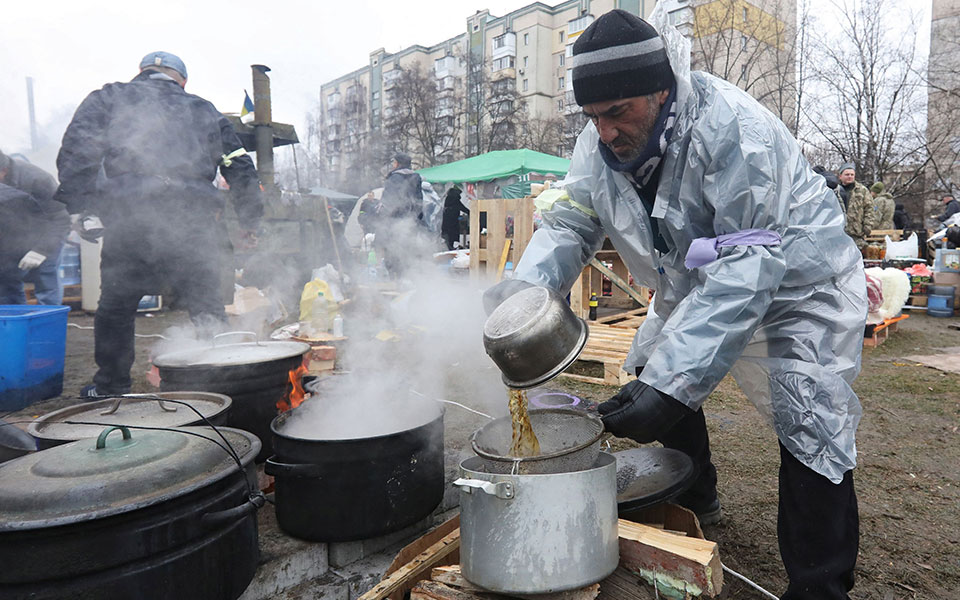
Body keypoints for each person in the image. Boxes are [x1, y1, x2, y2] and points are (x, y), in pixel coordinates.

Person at [483, 11, 865, 599]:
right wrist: (528, 295)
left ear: (661, 89)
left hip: (798, 284)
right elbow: (572, 219)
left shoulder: (734, 129)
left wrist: (674, 384)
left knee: (811, 420)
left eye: (618, 112)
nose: (605, 132)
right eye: (592, 116)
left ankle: (820, 586)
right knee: (649, 368)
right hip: (693, 281)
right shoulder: (598, 143)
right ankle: (695, 496)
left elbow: (750, 262)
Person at [55, 51, 262, 397]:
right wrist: (249, 220)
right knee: (207, 304)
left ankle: (111, 387)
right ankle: (225, 385)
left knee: (117, 306)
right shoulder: (204, 110)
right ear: (182, 80)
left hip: (131, 217)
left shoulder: (109, 97)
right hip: (193, 220)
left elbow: (78, 150)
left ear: (142, 73)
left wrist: (81, 207)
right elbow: (239, 166)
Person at [0, 150, 69, 304]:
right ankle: (14, 323)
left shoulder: (37, 180)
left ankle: (47, 323)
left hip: (48, 234)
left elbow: (60, 218)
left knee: (46, 279)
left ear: (3, 171)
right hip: (14, 237)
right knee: (6, 282)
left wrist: (41, 251)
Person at [837, 163, 872, 249]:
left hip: (856, 233)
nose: (850, 176)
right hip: (838, 232)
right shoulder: (835, 190)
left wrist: (867, 226)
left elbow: (869, 209)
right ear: (840, 176)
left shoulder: (862, 190)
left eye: (852, 174)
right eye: (847, 174)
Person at [441, 186, 469, 250]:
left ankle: (448, 246)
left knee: (447, 235)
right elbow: (463, 208)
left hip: (446, 220)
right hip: (453, 221)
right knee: (452, 235)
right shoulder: (455, 200)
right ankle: (450, 247)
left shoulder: (447, 198)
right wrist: (471, 212)